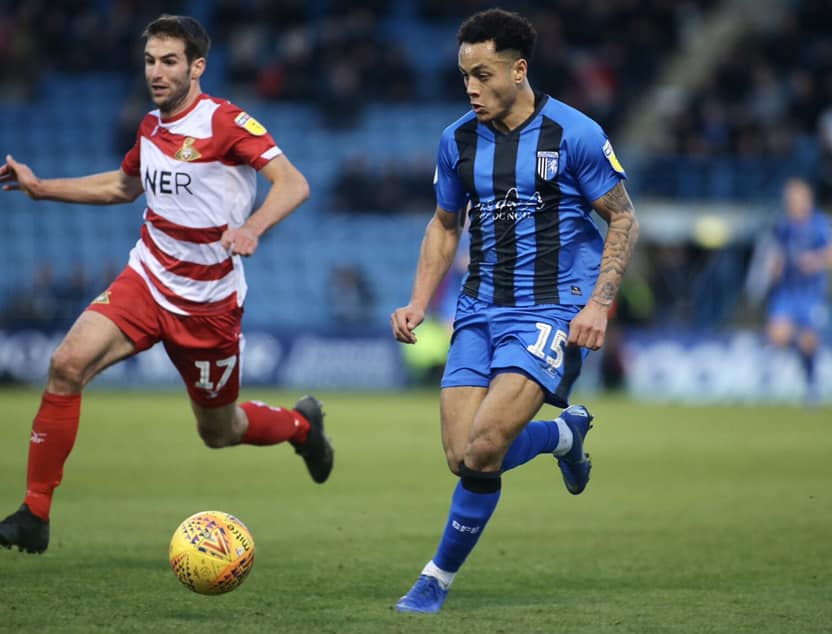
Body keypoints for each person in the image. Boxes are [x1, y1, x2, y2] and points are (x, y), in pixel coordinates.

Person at [0, 15, 333, 555]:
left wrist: (252, 227)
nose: (156, 72)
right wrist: (42, 188)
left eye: (169, 61)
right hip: (147, 280)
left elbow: (293, 184)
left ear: (197, 67)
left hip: (207, 306)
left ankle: (301, 427)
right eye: (151, 61)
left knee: (219, 431)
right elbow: (121, 186)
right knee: (66, 365)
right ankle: (35, 513)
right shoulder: (150, 126)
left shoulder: (226, 122)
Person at [389, 9, 639, 613]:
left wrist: (599, 305)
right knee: (461, 456)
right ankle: (563, 435)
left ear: (519, 69)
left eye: (483, 74)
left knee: (485, 447)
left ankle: (434, 580)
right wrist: (419, 300)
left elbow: (624, 217)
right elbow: (444, 225)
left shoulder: (574, 134)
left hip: (552, 310)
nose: (471, 88)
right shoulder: (458, 140)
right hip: (479, 308)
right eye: (464, 76)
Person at [765, 178, 832, 403]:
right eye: (789, 200)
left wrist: (816, 260)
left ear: (808, 200)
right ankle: (798, 345)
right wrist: (775, 268)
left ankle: (811, 386)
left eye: (797, 199)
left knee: (809, 342)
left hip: (811, 294)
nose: (793, 204)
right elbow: (777, 253)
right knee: (777, 336)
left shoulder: (823, 224)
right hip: (787, 291)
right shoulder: (783, 226)